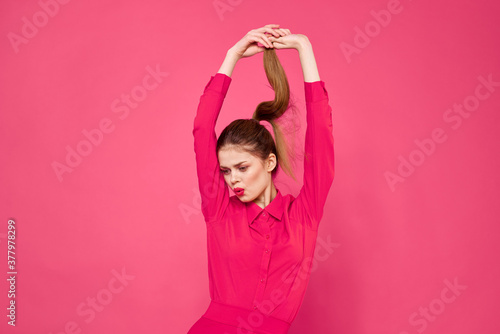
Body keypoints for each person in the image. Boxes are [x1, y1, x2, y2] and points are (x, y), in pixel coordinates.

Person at [188, 23, 335, 334]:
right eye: (225, 170)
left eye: (242, 167)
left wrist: (304, 48)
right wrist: (233, 55)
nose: (231, 179)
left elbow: (320, 140)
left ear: (269, 162)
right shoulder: (219, 211)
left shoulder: (303, 216)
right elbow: (202, 128)